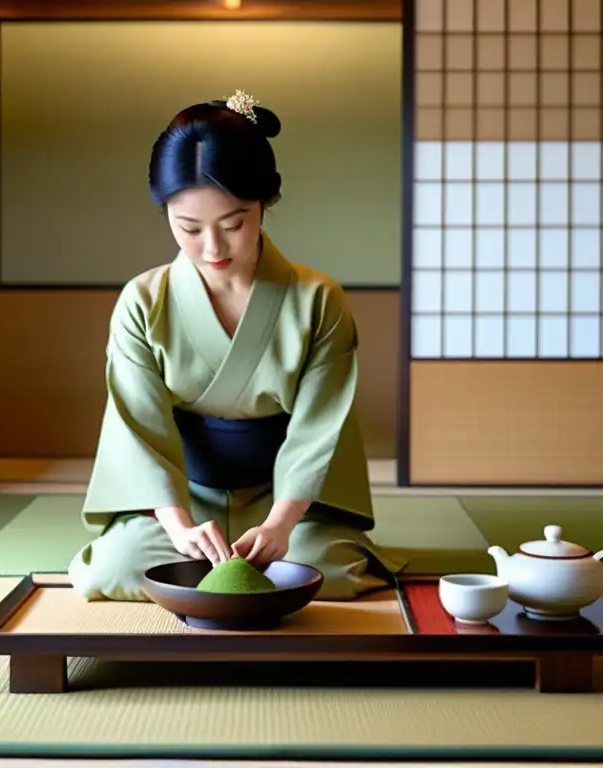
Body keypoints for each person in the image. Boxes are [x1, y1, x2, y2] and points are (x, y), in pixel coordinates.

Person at [68, 89, 407, 602]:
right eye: (188, 227)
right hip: (184, 499)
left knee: (329, 571)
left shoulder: (317, 300)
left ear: (264, 203)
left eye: (233, 224)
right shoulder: (143, 301)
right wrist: (179, 527)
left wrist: (279, 525)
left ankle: (279, 537)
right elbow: (136, 428)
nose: (212, 247)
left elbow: (320, 430)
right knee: (112, 570)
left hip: (286, 499)